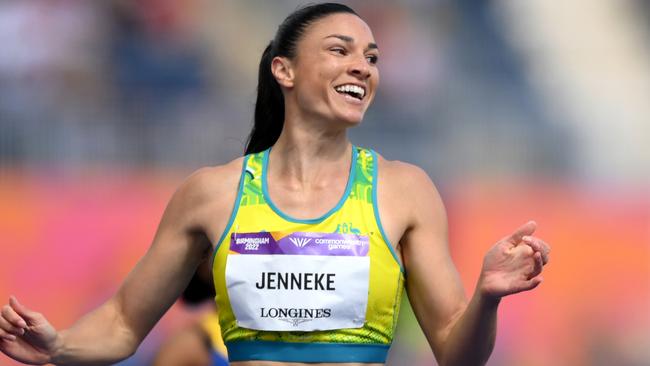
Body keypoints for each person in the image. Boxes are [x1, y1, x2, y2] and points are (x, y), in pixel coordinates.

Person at [0, 3, 550, 366]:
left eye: (372, 58)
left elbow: (457, 352)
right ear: (283, 70)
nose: (363, 67)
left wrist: (487, 297)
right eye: (340, 50)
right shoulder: (211, 194)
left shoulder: (406, 190)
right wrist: (60, 346)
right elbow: (123, 321)